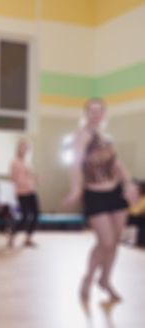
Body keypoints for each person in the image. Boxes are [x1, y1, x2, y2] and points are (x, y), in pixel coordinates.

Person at [64, 98, 138, 302]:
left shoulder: (108, 138)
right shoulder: (82, 135)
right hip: (95, 195)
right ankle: (88, 278)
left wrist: (129, 183)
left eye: (99, 111)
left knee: (113, 243)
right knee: (105, 241)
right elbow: (76, 163)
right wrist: (76, 188)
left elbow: (117, 164)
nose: (95, 115)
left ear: (104, 115)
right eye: (91, 111)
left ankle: (105, 280)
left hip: (115, 194)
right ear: (85, 114)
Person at [9, 139, 40, 248]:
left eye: (27, 148)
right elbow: (13, 178)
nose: (25, 149)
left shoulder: (27, 162)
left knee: (36, 214)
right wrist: (23, 183)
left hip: (31, 191)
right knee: (25, 216)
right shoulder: (14, 162)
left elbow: (29, 176)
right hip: (21, 192)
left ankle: (28, 239)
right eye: (23, 147)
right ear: (18, 149)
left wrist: (35, 180)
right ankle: (12, 235)